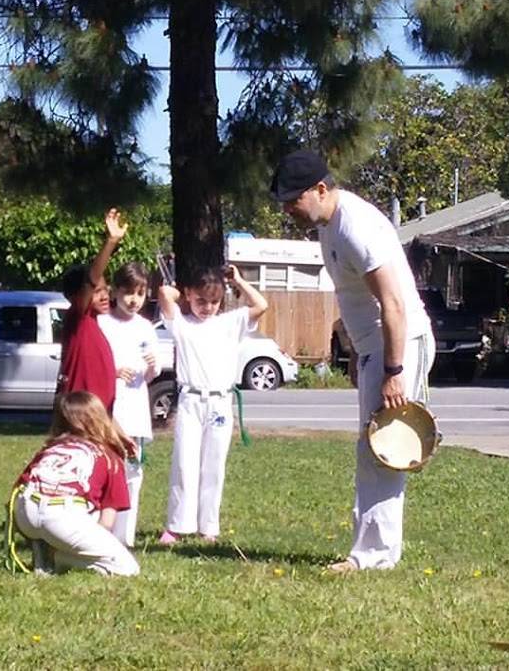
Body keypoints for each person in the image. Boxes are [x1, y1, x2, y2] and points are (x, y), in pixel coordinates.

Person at [272, 148, 435, 573]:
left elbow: (394, 303)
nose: (289, 209)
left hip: (397, 343)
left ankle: (375, 556)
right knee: (371, 446)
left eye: (293, 199)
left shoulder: (355, 227)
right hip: (373, 347)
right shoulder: (329, 226)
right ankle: (370, 550)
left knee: (384, 448)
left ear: (321, 189)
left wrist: (394, 371)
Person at [157, 265, 268, 545]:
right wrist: (182, 292)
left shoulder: (230, 322)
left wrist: (238, 280)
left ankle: (208, 525)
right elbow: (163, 292)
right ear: (190, 295)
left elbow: (260, 305)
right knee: (185, 462)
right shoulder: (181, 324)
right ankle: (178, 524)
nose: (207, 307)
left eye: (214, 302)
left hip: (219, 401)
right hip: (191, 400)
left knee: (214, 464)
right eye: (200, 300)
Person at [10, 391, 140, 576]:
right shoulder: (110, 456)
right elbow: (107, 520)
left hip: (25, 511)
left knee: (75, 512)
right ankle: (57, 557)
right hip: (61, 515)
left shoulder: (50, 449)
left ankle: (42, 545)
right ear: (100, 419)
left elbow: (17, 490)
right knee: (128, 569)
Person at [98, 262, 160, 547]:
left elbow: (152, 372)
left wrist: (151, 366)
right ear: (115, 291)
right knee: (106, 467)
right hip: (108, 409)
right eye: (128, 293)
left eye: (140, 293)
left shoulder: (146, 327)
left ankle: (125, 536)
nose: (134, 300)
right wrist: (112, 371)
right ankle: (100, 531)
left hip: (135, 409)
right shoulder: (102, 323)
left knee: (133, 472)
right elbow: (94, 365)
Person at [57, 208, 127, 411]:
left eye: (106, 290)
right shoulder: (78, 318)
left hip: (99, 418)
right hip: (81, 418)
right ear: (77, 296)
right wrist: (111, 242)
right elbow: (90, 280)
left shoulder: (94, 325)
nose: (105, 296)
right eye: (97, 292)